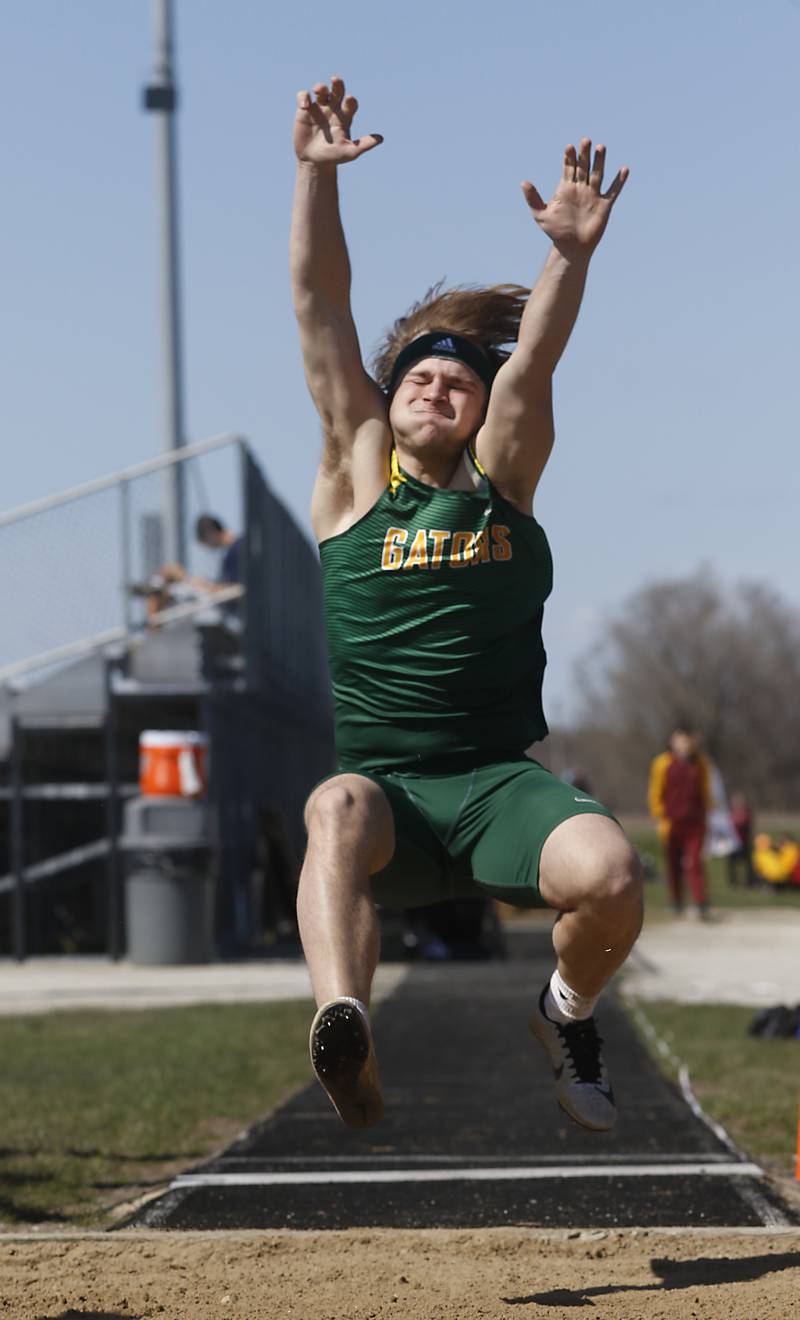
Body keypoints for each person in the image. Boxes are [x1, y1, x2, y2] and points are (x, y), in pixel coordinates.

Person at [291, 76, 641, 1134]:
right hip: (389, 799)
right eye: (417, 377)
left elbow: (532, 358)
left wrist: (567, 257)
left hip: (493, 788)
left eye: (457, 382)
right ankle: (343, 1029)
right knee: (331, 807)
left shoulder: (504, 481)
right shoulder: (354, 477)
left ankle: (564, 1013)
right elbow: (319, 308)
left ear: (481, 412)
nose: (435, 388)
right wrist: (315, 179)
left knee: (613, 875)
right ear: (386, 395)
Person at [648, 726, 712, 918]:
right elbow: (655, 792)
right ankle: (677, 901)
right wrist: (659, 814)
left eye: (688, 740)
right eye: (680, 739)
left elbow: (706, 792)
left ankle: (701, 903)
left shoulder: (701, 764)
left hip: (695, 823)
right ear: (672, 741)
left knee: (694, 862)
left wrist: (709, 813)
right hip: (672, 823)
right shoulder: (662, 763)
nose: (684, 744)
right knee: (673, 864)